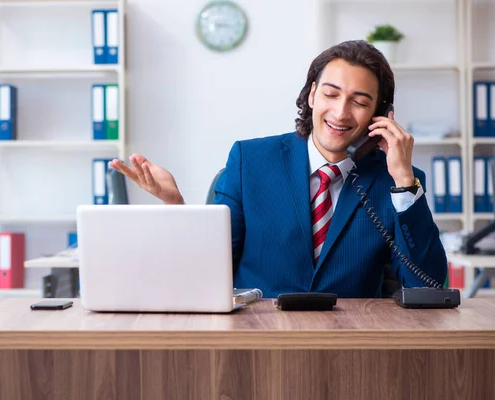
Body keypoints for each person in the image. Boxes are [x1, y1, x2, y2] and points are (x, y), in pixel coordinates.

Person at [109, 40, 447, 298]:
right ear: (312, 95)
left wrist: (404, 180)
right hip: (256, 343)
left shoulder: (397, 181)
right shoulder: (249, 160)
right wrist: (175, 207)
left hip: (349, 347)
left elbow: (428, 288)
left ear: (381, 115)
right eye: (331, 94)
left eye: (359, 102)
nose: (341, 113)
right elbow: (206, 273)